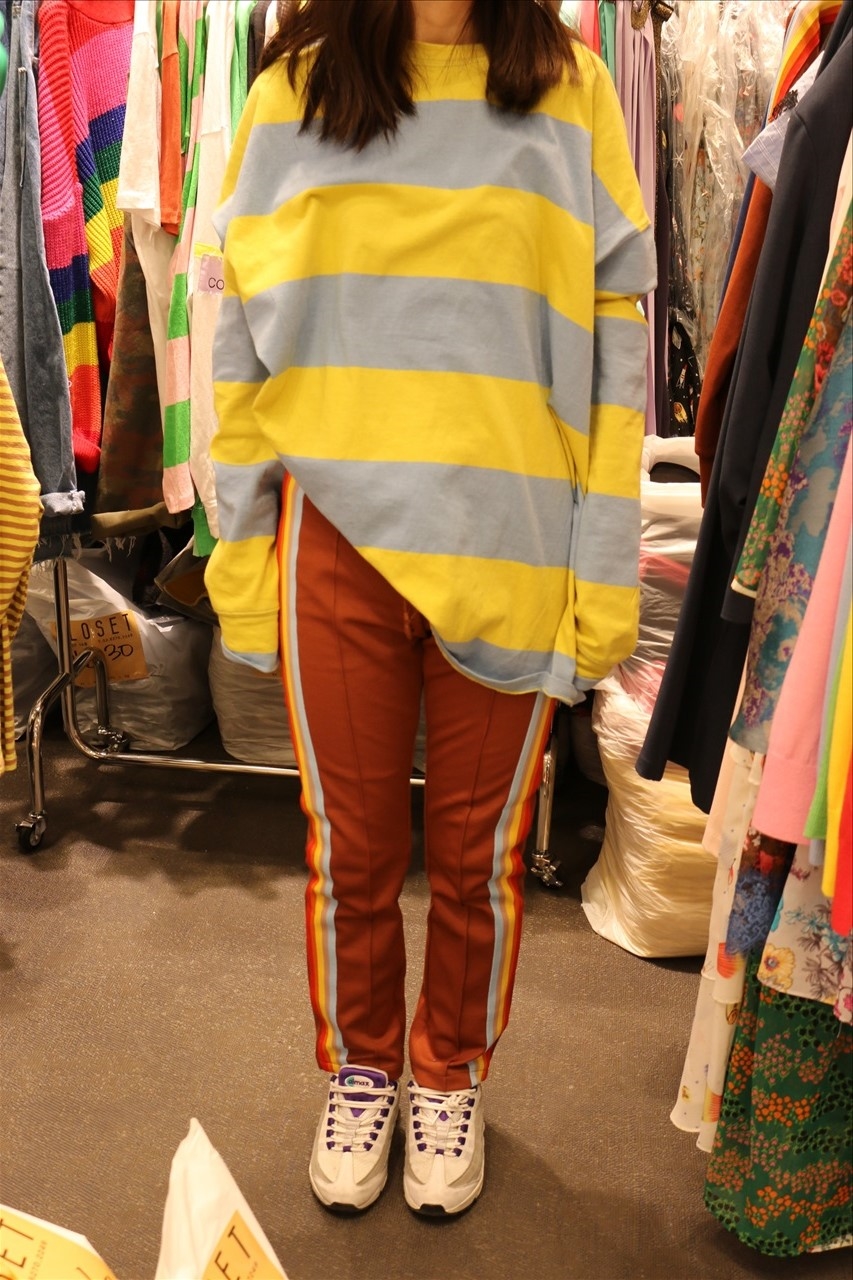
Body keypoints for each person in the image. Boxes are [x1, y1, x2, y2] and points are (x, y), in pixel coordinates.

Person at [205, 0, 654, 1218]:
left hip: (511, 538)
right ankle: (363, 1066)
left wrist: (603, 570)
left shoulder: (573, 90)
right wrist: (239, 551)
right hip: (336, 542)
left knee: (477, 860)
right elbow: (237, 345)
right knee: (350, 850)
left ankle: (447, 1070)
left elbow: (617, 354)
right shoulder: (293, 89)